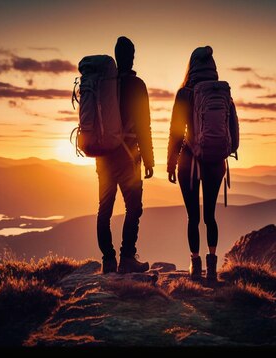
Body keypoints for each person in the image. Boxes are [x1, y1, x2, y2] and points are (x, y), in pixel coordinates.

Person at [167, 46, 238, 281]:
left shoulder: (184, 93)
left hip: (189, 161)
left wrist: (170, 163)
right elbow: (234, 137)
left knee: (193, 218)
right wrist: (222, 150)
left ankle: (195, 266)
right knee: (210, 216)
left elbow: (176, 133)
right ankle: (212, 267)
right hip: (216, 162)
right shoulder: (223, 92)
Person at [96, 36, 154, 274]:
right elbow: (143, 126)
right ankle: (127, 258)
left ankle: (108, 261)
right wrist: (149, 160)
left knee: (105, 209)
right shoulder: (137, 85)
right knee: (133, 208)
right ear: (131, 57)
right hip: (129, 157)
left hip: (104, 156)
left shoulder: (103, 85)